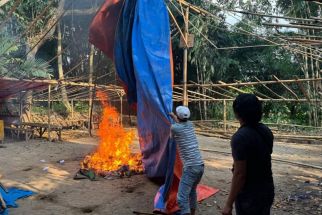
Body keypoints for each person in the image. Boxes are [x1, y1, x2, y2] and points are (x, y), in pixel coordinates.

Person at [222, 94, 275, 215]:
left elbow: (240, 174)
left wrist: (228, 204)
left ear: (237, 113)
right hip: (267, 189)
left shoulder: (239, 137)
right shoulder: (266, 130)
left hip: (250, 195)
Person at [169, 106, 204, 215]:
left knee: (181, 198)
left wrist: (172, 119)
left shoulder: (174, 128)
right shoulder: (190, 124)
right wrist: (174, 117)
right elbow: (180, 124)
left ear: (178, 117)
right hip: (200, 166)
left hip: (191, 168)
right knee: (192, 192)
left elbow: (171, 138)